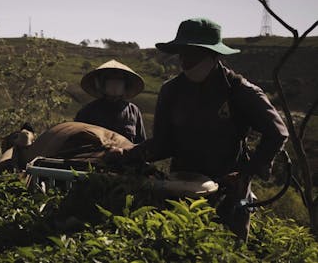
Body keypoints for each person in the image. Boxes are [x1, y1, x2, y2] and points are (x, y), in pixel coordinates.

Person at [110, 18, 289, 240]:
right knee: (179, 241)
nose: (185, 61)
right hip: (181, 186)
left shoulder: (239, 90)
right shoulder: (171, 91)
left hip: (229, 189)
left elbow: (277, 132)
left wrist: (247, 173)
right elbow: (163, 143)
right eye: (182, 53)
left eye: (194, 53)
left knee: (227, 245)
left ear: (214, 55)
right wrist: (128, 155)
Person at [75, 59, 147, 143]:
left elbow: (140, 142)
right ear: (101, 84)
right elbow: (77, 141)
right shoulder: (88, 111)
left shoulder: (133, 111)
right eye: (110, 79)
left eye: (119, 80)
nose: (115, 84)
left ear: (125, 84)